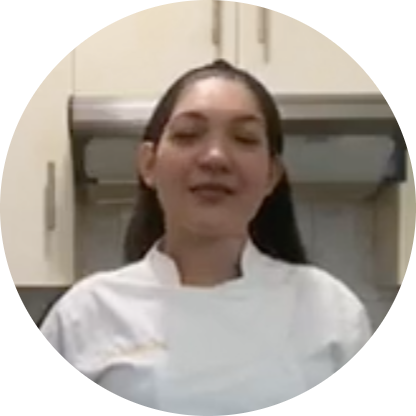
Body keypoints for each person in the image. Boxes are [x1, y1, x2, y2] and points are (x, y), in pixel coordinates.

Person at [40, 59, 372, 412]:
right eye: (187, 135)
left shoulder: (332, 312)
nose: (215, 157)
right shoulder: (84, 315)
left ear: (271, 176)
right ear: (149, 164)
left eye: (244, 138)